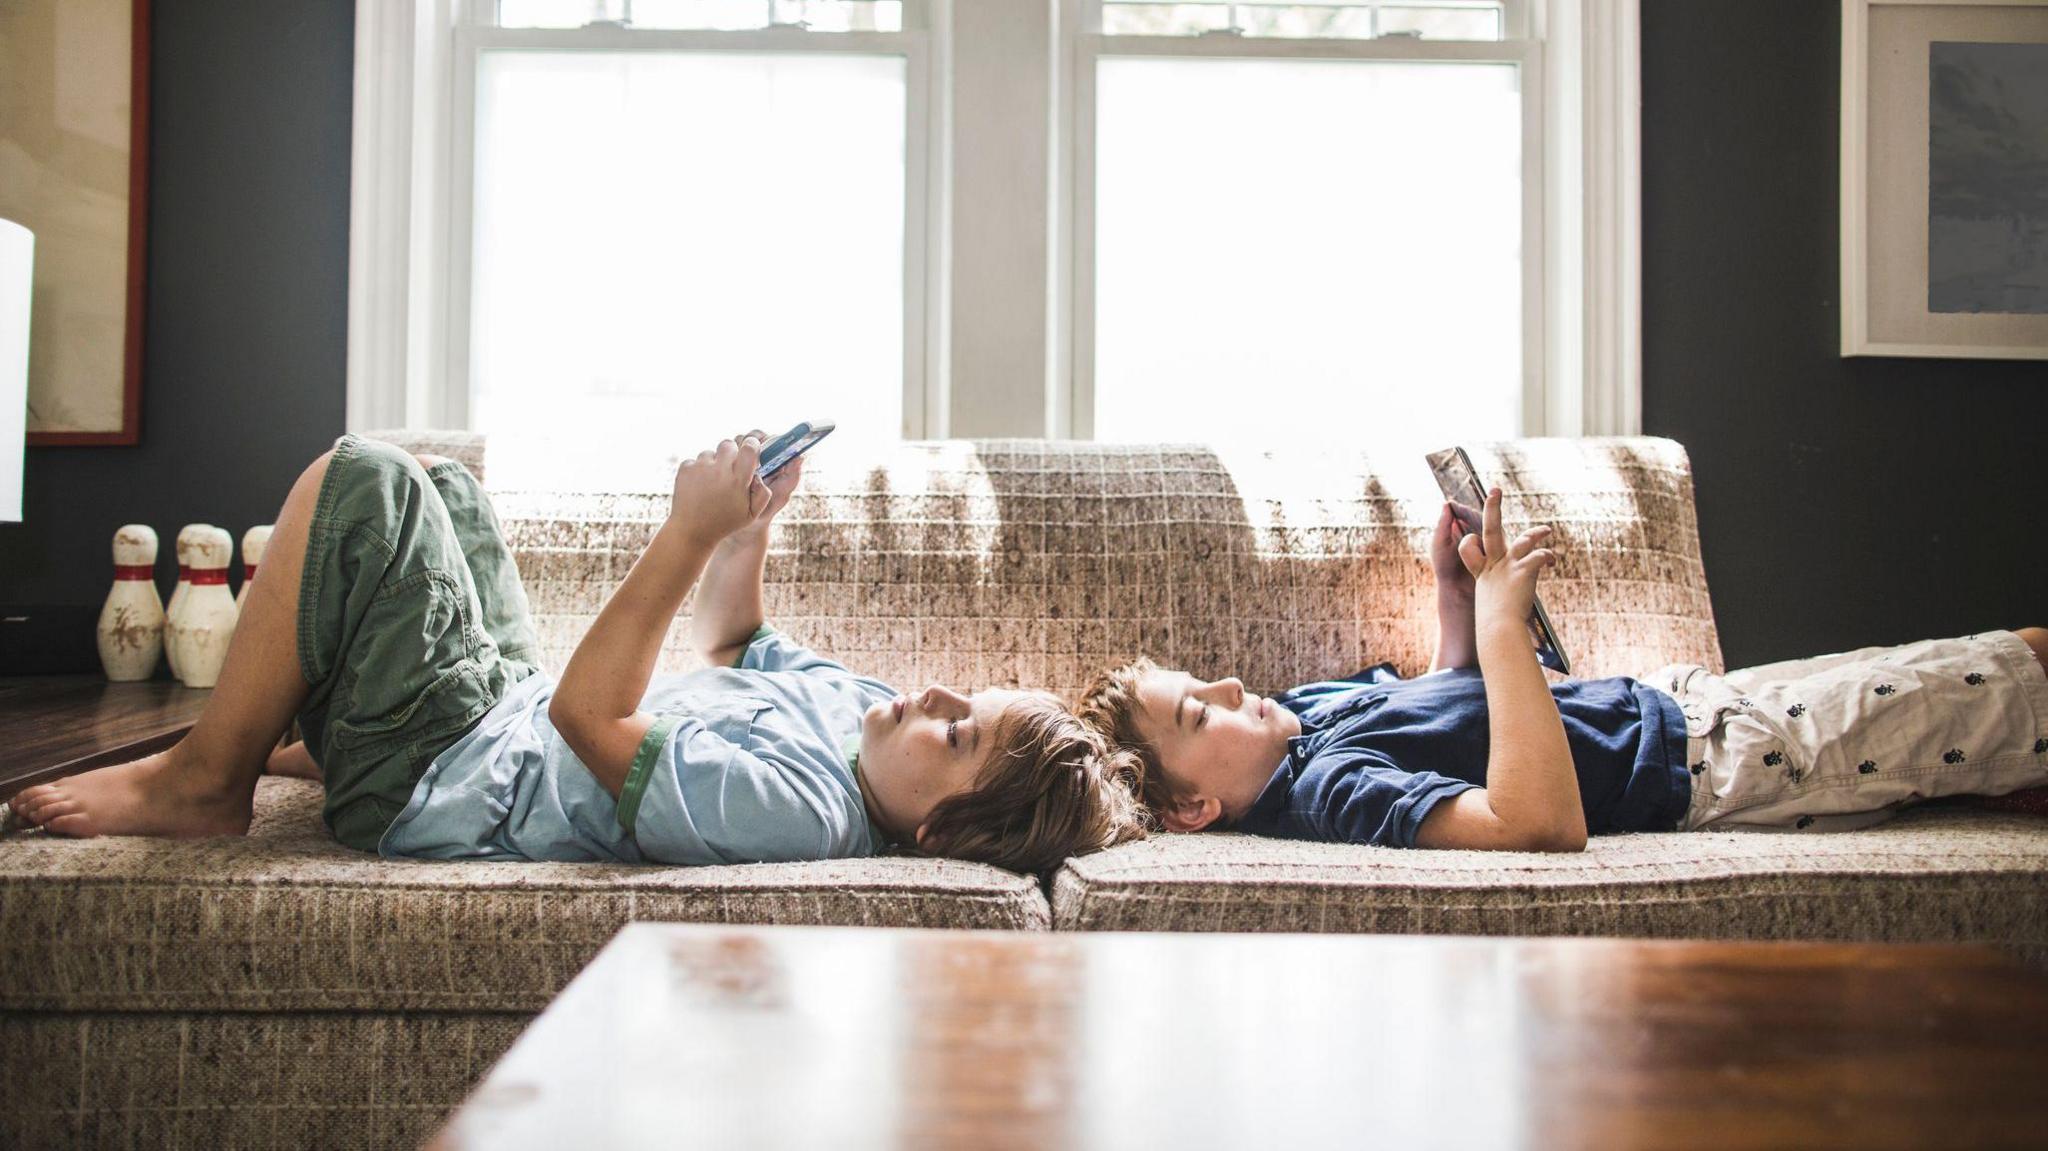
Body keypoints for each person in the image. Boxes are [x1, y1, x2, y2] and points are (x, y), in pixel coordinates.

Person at [5, 434, 1146, 874]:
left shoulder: (797, 812)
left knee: (366, 480)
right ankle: (301, 743)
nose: (933, 693)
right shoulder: (855, 720)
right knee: (446, 486)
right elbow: (735, 640)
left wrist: (685, 529)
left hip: (439, 774)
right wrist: (748, 529)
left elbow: (589, 722)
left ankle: (207, 777)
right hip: (497, 712)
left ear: (935, 829)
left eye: (958, 730)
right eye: (966, 696)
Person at [1078, 487, 2048, 852]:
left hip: (1682, 702)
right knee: (2011, 677)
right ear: (1193, 809)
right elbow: (1534, 820)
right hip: (1715, 764)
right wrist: (1506, 629)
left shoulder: (1306, 712)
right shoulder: (1331, 790)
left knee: (1989, 676)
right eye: (1197, 720)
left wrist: (1456, 606)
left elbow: (1448, 702)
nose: (1226, 690)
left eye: (1196, 680)